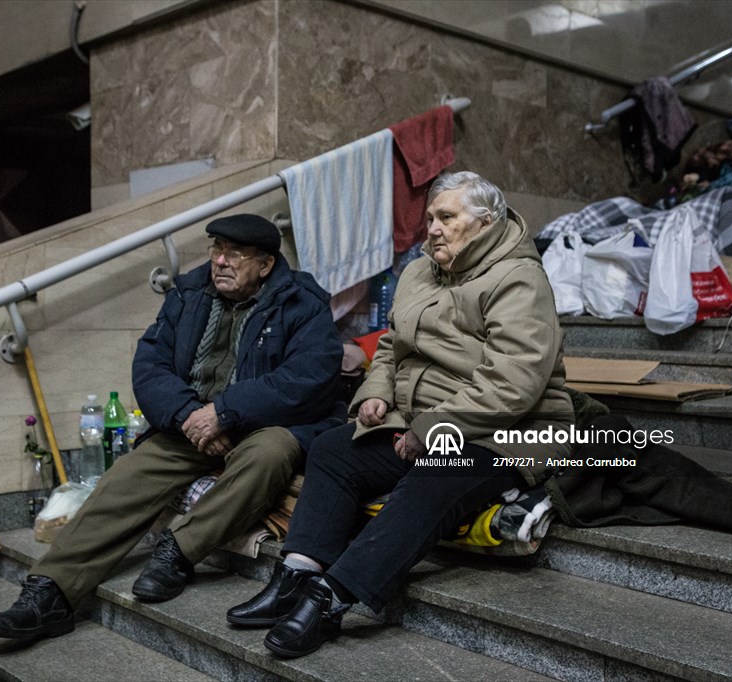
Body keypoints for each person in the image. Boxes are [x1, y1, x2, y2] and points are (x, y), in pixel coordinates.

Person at [225, 171, 576, 658]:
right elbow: (390, 347)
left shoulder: (518, 278)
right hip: (419, 420)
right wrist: (375, 392)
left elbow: (512, 385)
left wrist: (429, 430)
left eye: (446, 217)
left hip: (509, 431)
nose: (431, 228)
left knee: (435, 473)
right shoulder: (419, 272)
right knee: (332, 449)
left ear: (485, 223)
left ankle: (331, 600)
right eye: (429, 217)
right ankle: (296, 576)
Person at [0, 214, 344, 640]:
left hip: (266, 425)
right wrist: (188, 415)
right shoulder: (189, 293)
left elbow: (308, 377)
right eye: (216, 250)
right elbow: (149, 365)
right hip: (191, 423)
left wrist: (225, 412)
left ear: (265, 264)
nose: (221, 262)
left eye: (235, 254)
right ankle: (50, 591)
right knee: (128, 476)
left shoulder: (301, 300)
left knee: (270, 454)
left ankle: (177, 552)